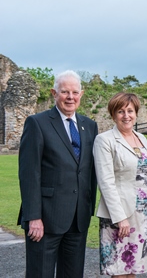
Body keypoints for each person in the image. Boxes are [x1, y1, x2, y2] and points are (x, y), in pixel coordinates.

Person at [17, 70, 98, 278]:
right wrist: (33, 216)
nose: (70, 97)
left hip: (78, 218)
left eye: (75, 92)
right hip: (45, 218)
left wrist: (88, 207)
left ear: (81, 94)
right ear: (54, 93)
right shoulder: (37, 123)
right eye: (64, 92)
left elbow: (90, 172)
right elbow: (29, 174)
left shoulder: (89, 126)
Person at [93, 92, 147, 277]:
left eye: (130, 111)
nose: (126, 115)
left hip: (142, 214)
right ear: (113, 115)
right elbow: (106, 182)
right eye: (120, 111)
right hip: (120, 215)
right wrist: (120, 218)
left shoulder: (142, 139)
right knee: (120, 270)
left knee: (134, 269)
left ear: (136, 113)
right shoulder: (105, 140)